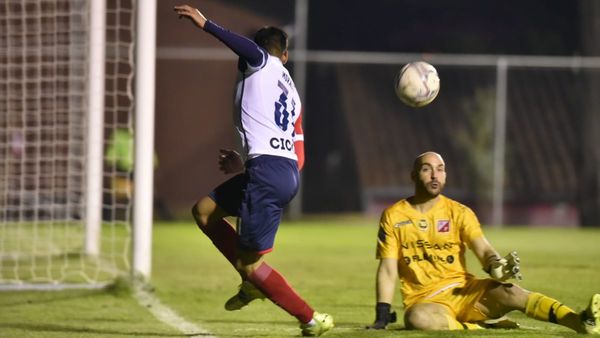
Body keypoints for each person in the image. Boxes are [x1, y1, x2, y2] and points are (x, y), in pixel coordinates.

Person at [173, 4, 334, 337]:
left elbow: (247, 49)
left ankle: (309, 318)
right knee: (204, 213)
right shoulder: (294, 95)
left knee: (250, 264)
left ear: (273, 54)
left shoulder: (259, 62)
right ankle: (252, 281)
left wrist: (206, 24)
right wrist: (255, 166)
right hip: (283, 170)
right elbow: (297, 150)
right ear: (286, 55)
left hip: (267, 173)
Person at [368, 151, 600, 334]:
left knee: (512, 293)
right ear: (413, 175)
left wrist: (495, 266)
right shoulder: (394, 215)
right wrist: (382, 314)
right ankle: (478, 327)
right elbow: (388, 270)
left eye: (440, 170)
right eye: (427, 169)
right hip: (426, 302)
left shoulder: (459, 212)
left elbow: (483, 249)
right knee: (416, 319)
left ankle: (581, 322)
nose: (434, 176)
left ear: (446, 176)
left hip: (465, 291)